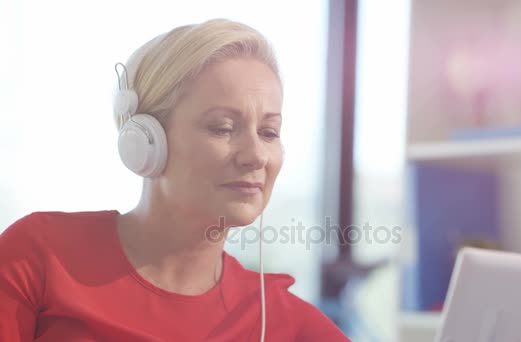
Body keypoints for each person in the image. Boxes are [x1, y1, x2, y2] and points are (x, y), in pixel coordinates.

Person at [0, 18, 350, 341]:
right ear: (146, 141)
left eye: (269, 132)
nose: (256, 155)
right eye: (223, 128)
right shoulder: (39, 256)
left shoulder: (282, 323)